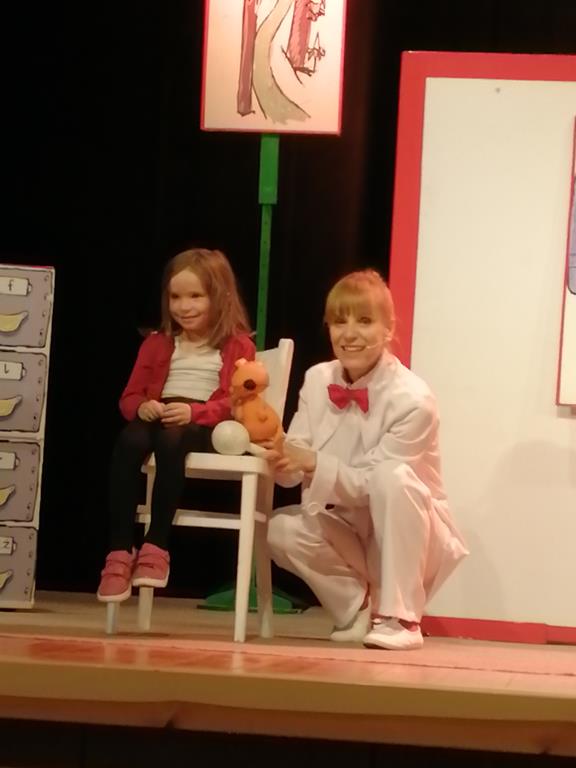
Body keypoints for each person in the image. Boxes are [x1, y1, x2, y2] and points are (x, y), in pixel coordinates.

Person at [266, 270, 468, 650]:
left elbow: (372, 484)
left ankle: (401, 618)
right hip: (347, 525)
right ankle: (358, 607)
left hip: (407, 533)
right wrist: (280, 459)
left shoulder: (413, 398)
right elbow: (294, 461)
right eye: (339, 322)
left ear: (388, 329)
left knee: (393, 476)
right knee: (279, 529)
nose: (349, 334)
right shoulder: (317, 379)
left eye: (363, 321)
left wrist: (312, 463)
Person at [97, 248, 255, 603]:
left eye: (196, 296)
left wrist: (195, 412)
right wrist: (144, 406)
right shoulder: (157, 343)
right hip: (161, 412)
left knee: (172, 440)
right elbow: (129, 397)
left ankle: (156, 546)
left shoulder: (238, 345)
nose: (184, 306)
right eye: (176, 297)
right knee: (130, 440)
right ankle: (119, 551)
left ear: (220, 296)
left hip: (201, 422)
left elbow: (238, 402)